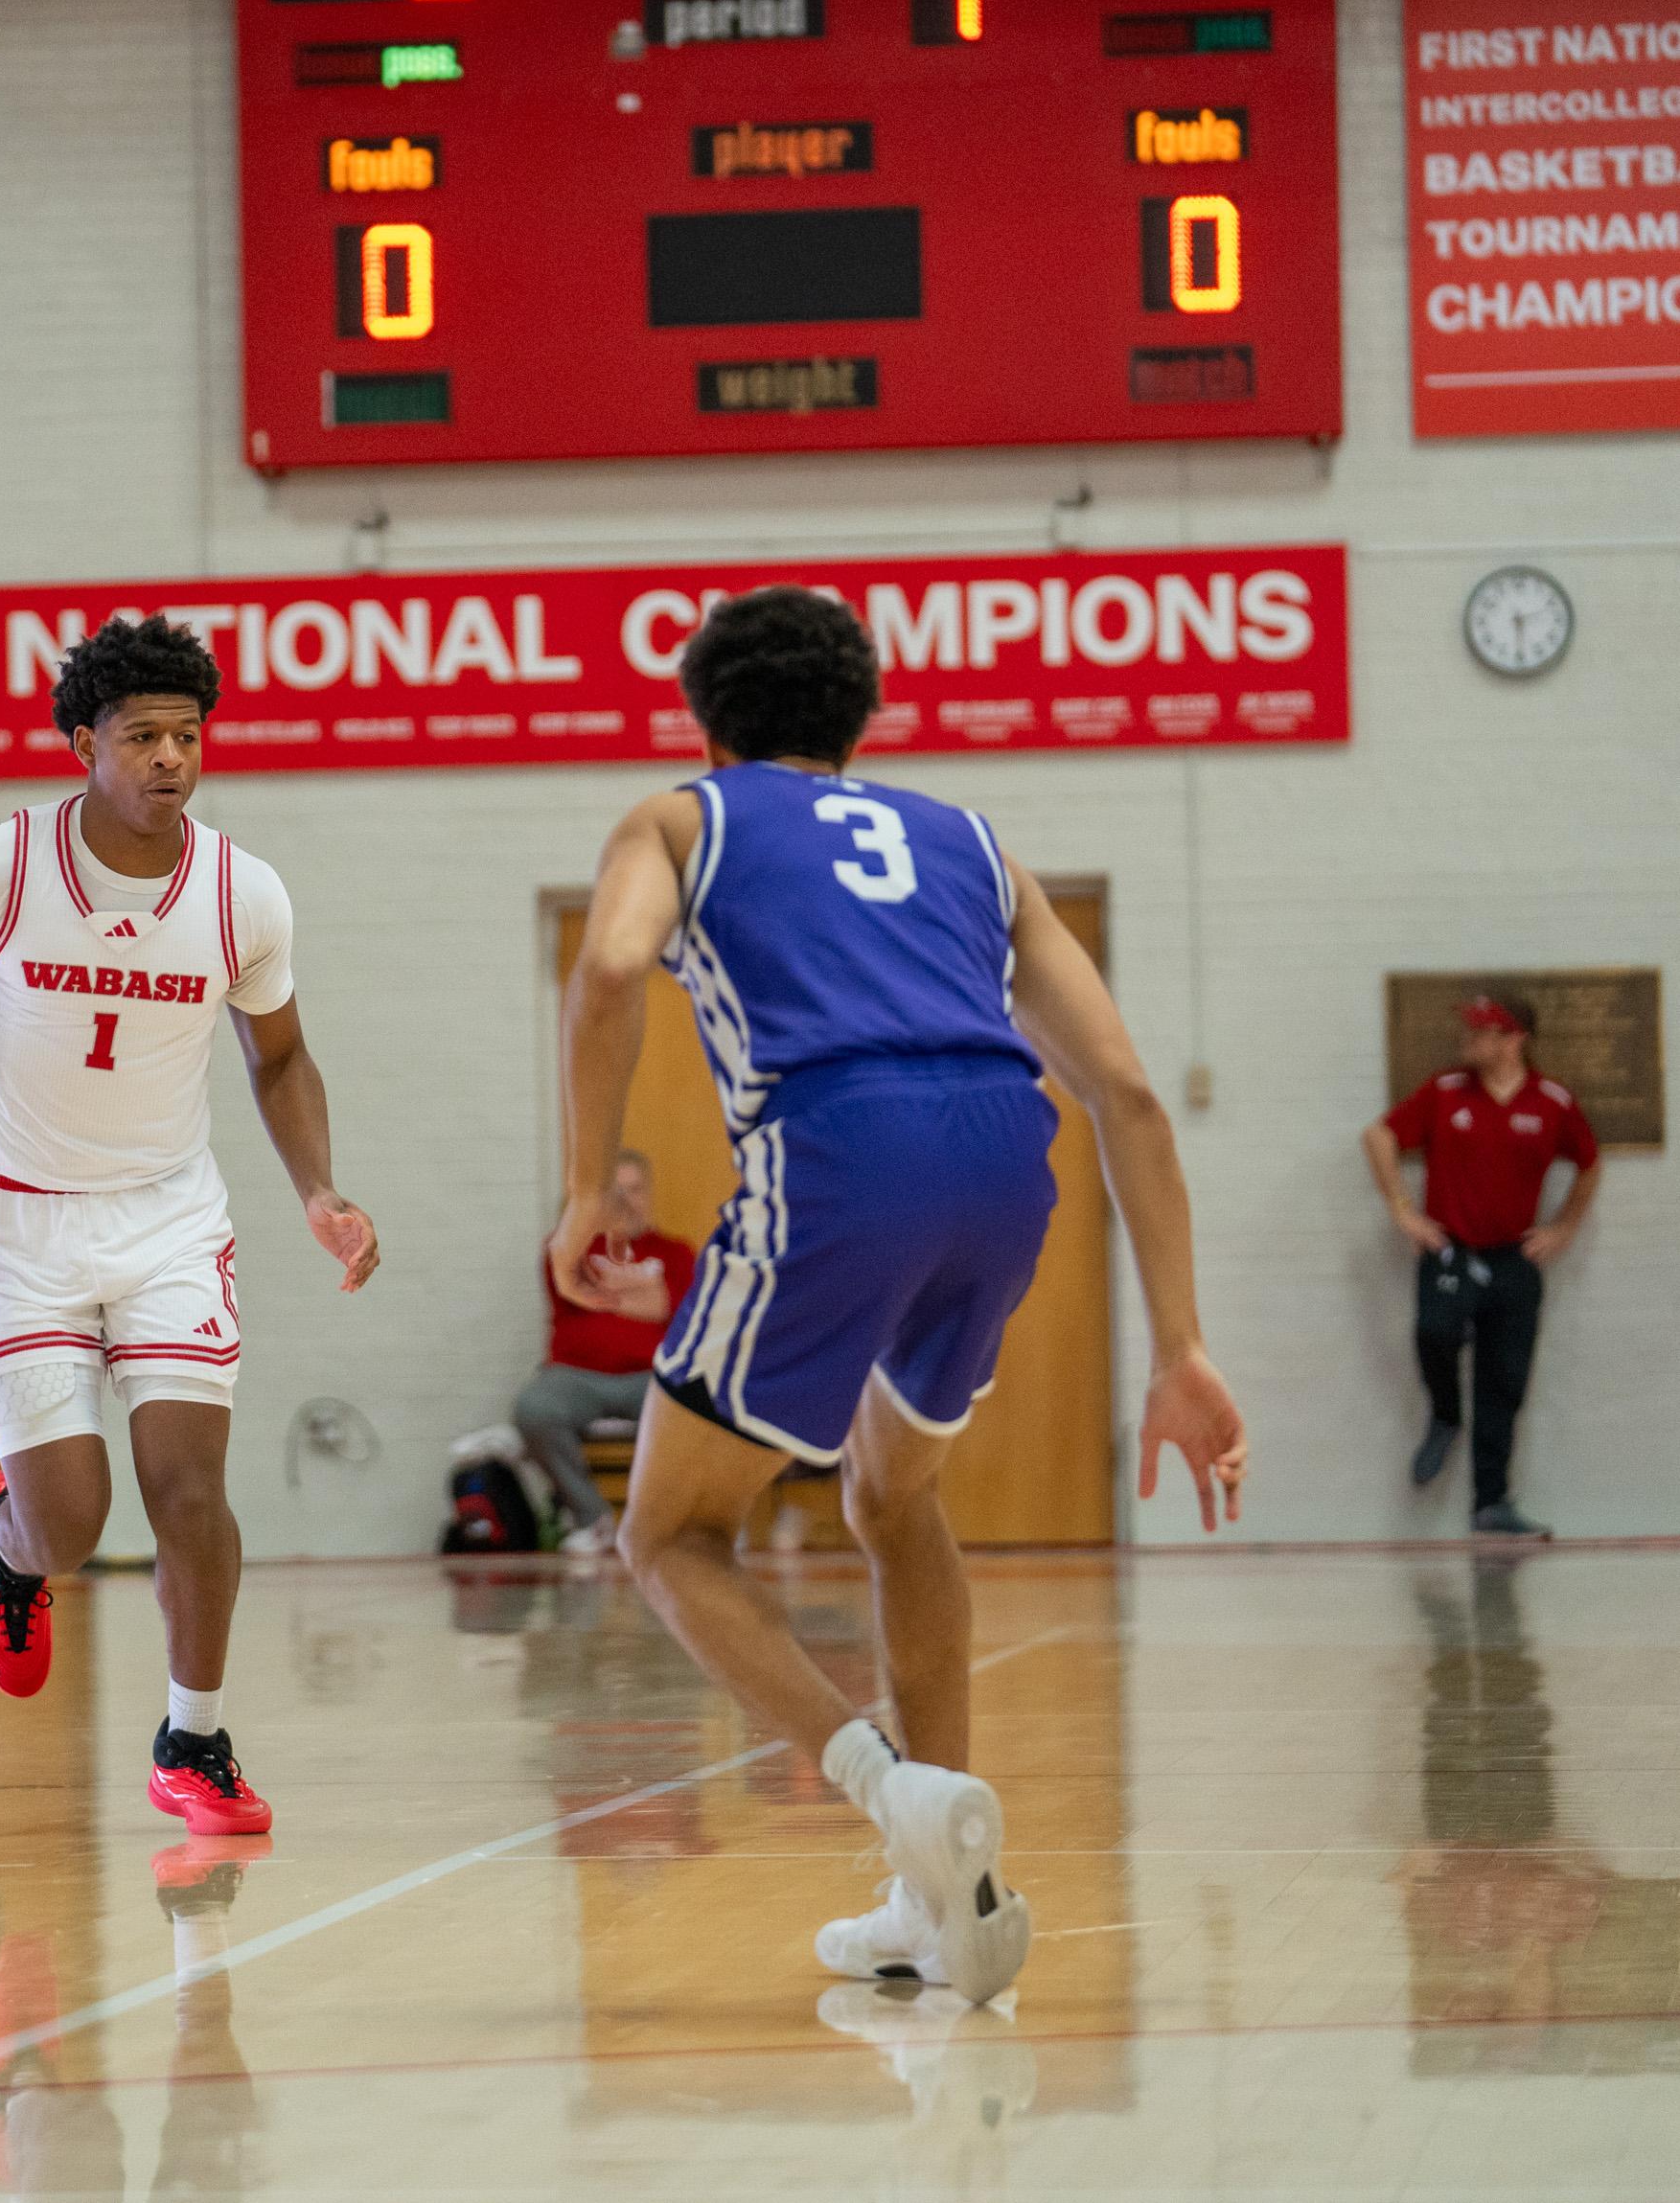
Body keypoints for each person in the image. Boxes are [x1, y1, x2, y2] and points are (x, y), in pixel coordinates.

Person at [556, 585, 1244, 2010]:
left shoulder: (679, 819)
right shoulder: (975, 844)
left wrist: (580, 1190)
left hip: (839, 1148)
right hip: (1004, 1156)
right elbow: (1124, 1090)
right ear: (863, 720)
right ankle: (943, 1902)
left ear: (705, 724)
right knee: (892, 1493)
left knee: (670, 1531)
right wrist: (1178, 1344)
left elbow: (613, 962)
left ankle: (893, 1794)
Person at [0, 615, 380, 1837]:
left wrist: (319, 1190)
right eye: (142, 736)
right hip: (20, 1227)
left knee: (188, 1486)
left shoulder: (242, 893)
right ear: (85, 743)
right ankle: (9, 1548)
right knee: (69, 1525)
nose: (171, 756)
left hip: (169, 1220)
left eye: (188, 735)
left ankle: (195, 1739)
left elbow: (280, 1057)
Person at [1362, 991, 1598, 1539]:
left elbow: (1589, 1163)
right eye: (1468, 1028)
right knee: (1435, 1331)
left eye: (1482, 1030)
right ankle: (1445, 1415)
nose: (1468, 1038)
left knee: (1504, 1381)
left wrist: (1564, 1227)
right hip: (1451, 1249)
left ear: (1515, 1039)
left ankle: (1491, 1504)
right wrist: (1402, 1209)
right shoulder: (1446, 1091)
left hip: (1514, 1259)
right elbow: (1379, 1136)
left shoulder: (1552, 1102)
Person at [513, 1146, 696, 1555]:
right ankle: (592, 1519)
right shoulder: (567, 1249)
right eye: (616, 1192)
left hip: (653, 1379)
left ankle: (671, 1527)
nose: (626, 1201)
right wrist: (646, 1295)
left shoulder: (677, 1253)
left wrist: (602, 1292)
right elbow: (654, 1302)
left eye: (635, 1189)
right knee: (534, 1410)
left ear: (649, 1194)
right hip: (575, 1377)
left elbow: (670, 1307)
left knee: (703, 1410)